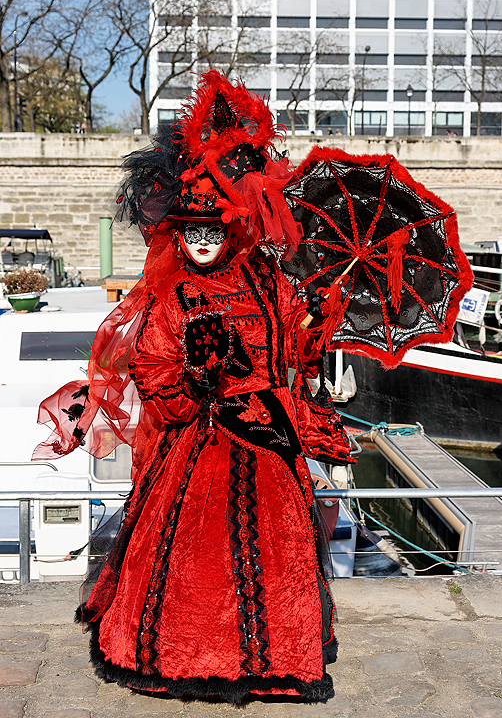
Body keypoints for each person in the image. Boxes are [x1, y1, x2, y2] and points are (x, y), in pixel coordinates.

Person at [33, 71, 354, 704]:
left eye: (213, 227)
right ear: (177, 231)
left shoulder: (270, 285)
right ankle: (189, 652)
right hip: (200, 441)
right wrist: (198, 381)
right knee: (192, 557)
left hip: (269, 438)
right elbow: (155, 377)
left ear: (232, 227)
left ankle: (274, 655)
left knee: (275, 556)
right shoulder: (170, 297)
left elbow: (295, 351)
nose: (202, 239)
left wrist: (320, 320)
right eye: (191, 229)